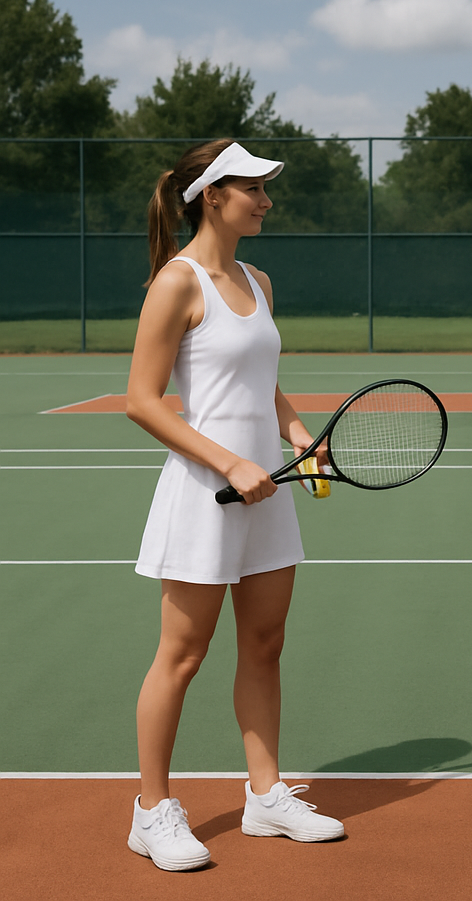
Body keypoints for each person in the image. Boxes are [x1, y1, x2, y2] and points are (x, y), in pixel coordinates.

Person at [125, 139, 345, 872]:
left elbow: (265, 383)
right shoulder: (177, 283)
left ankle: (265, 795)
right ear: (212, 195)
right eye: (254, 188)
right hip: (203, 494)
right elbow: (142, 402)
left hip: (267, 493)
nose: (267, 200)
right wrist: (227, 460)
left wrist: (298, 433)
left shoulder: (260, 279)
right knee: (181, 656)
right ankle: (152, 811)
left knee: (264, 645)